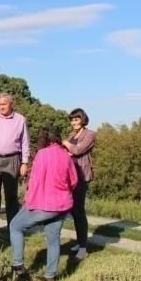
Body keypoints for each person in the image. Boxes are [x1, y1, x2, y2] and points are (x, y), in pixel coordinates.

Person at [9, 126, 78, 281]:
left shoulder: (42, 154)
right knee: (53, 240)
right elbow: (74, 181)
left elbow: (34, 180)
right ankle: (50, 276)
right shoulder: (66, 156)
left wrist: (29, 200)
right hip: (62, 204)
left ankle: (18, 264)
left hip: (43, 203)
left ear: (43, 139)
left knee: (15, 226)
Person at [0, 92, 30, 232]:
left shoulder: (20, 119)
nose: (1, 107)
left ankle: (12, 225)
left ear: (11, 104)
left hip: (12, 160)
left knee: (11, 195)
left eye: (4, 104)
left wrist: (24, 162)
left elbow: (25, 142)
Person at [62, 108, 96, 260]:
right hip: (70, 175)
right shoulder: (72, 135)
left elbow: (78, 150)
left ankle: (83, 247)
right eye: (72, 120)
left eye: (76, 119)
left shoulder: (90, 134)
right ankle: (79, 240)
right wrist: (68, 148)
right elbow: (66, 151)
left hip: (81, 176)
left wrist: (66, 145)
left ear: (82, 119)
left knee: (79, 211)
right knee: (73, 211)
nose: (73, 122)